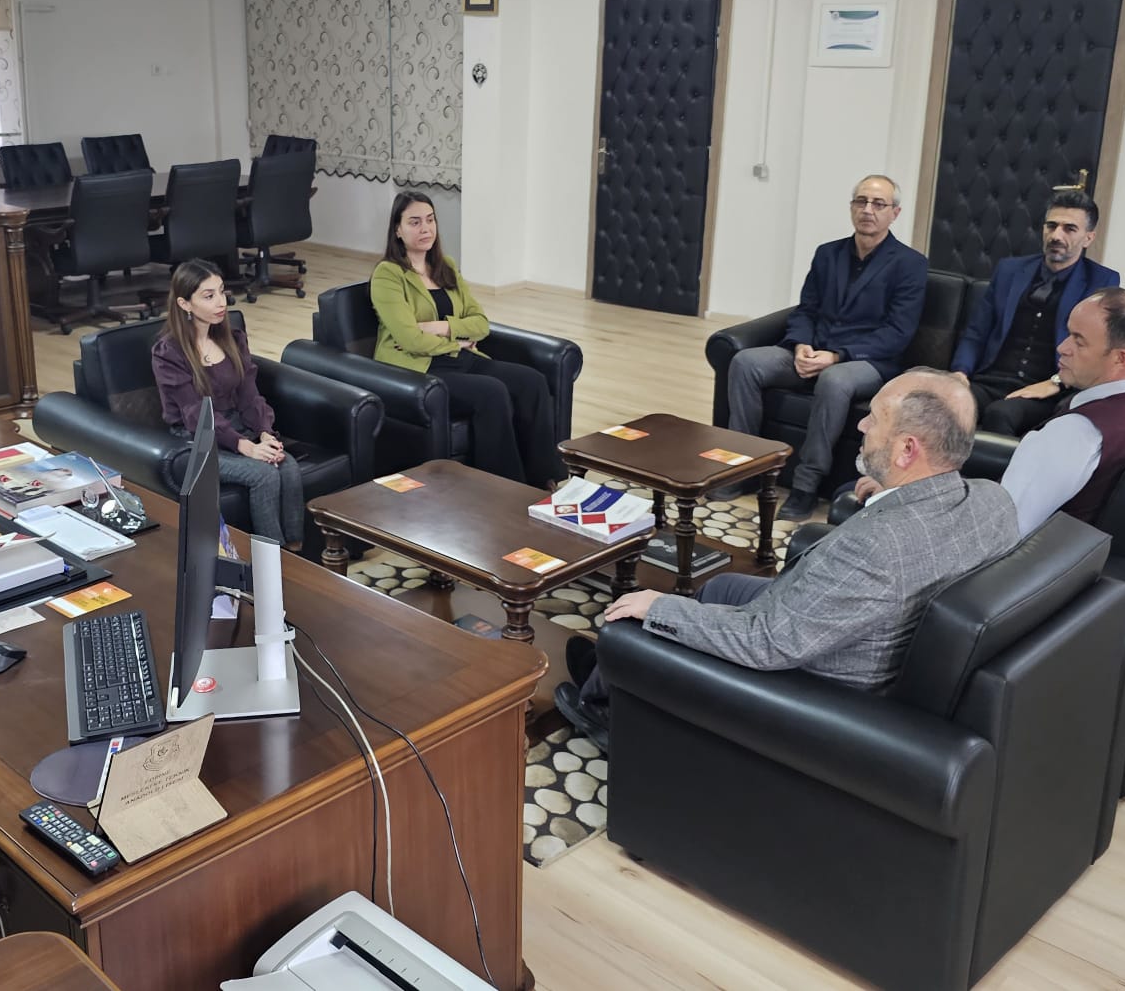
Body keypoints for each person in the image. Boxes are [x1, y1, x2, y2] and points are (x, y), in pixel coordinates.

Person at [556, 368, 1017, 751]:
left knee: (638, 619)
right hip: (847, 627)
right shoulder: (990, 500)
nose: (861, 426)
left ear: (907, 450)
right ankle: (610, 677)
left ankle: (604, 710)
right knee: (718, 586)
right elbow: (915, 532)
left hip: (814, 682)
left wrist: (658, 606)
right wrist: (889, 494)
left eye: (874, 418)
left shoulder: (875, 548)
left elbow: (767, 643)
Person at [722, 174, 928, 520]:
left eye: (878, 204)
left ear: (895, 213)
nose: (868, 210)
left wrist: (837, 356)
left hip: (867, 361)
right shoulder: (828, 253)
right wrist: (801, 344)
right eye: (861, 201)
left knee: (834, 380)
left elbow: (897, 333)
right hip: (814, 351)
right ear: (851, 207)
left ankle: (806, 485)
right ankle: (743, 467)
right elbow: (806, 310)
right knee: (745, 362)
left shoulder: (910, 264)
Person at [372, 191, 565, 487]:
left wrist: (441, 327)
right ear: (397, 229)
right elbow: (410, 340)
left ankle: (545, 480)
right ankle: (502, 488)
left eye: (430, 220)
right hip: (420, 368)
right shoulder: (388, 275)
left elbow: (480, 324)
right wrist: (457, 341)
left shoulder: (446, 266)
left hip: (459, 358)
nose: (425, 229)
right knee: (491, 392)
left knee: (532, 382)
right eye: (414, 222)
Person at [997, 288, 1125, 535]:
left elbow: (1003, 528)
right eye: (1069, 334)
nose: (1062, 347)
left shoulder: (1074, 433)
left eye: (1079, 341)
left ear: (1120, 359)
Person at [151, 259, 307, 547]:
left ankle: (297, 553)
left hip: (237, 427)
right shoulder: (168, 353)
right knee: (264, 475)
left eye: (222, 291)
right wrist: (245, 447)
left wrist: (264, 434)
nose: (221, 302)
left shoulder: (232, 337)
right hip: (195, 440)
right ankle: (271, 560)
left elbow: (250, 394)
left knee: (288, 467)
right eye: (209, 296)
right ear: (185, 304)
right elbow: (196, 415)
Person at [948, 188, 1120, 436]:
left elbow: (1093, 349)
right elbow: (977, 331)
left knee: (1000, 414)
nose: (1056, 235)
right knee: (945, 402)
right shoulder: (1009, 270)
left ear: (1088, 238)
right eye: (1051, 226)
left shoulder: (1101, 282)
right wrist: (960, 373)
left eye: (1069, 229)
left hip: (1047, 388)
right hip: (990, 379)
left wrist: (1057, 382)